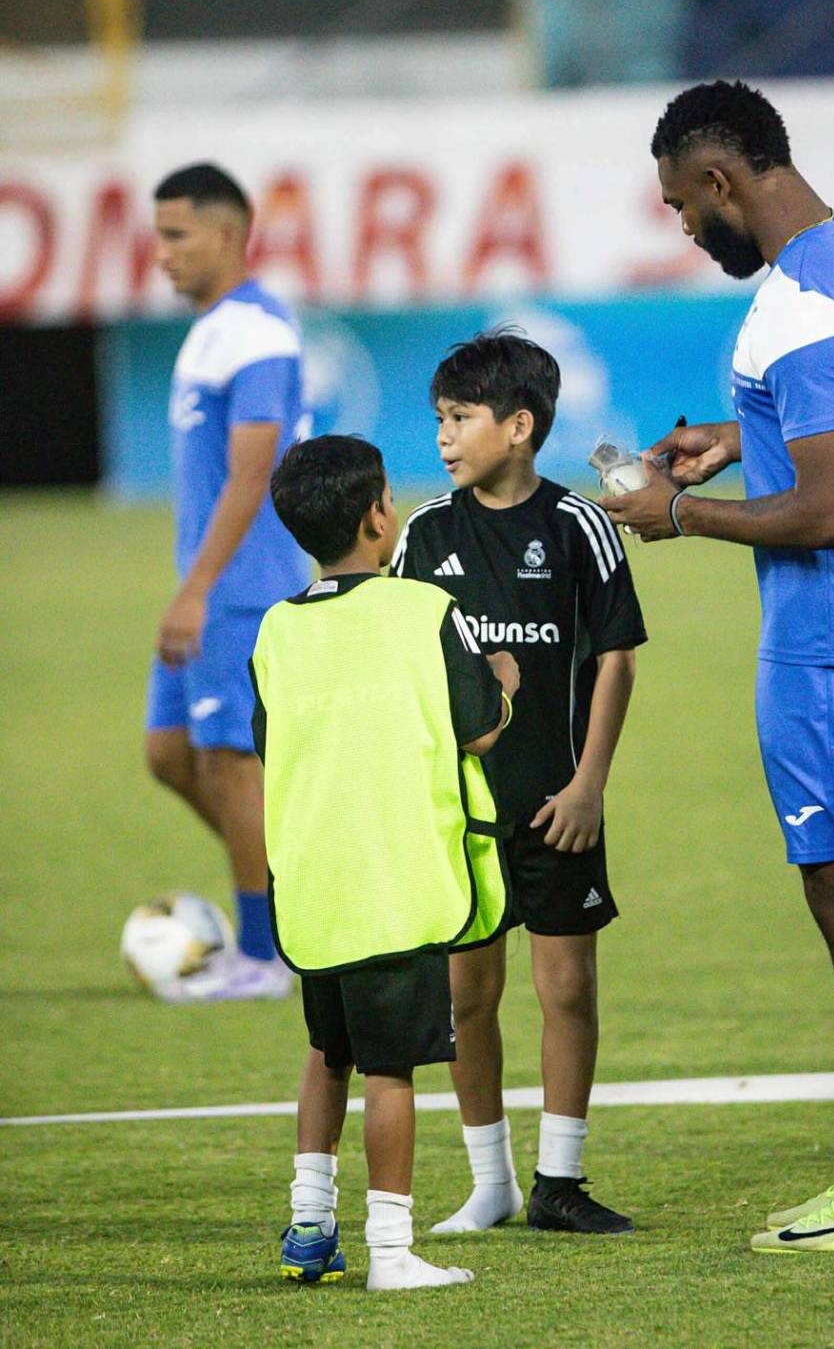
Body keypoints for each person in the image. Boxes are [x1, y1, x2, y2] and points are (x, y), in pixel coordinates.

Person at [602, 80, 834, 1253]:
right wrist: (735, 435)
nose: (684, 230)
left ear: (721, 183)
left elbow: (830, 505)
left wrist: (678, 515)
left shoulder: (792, 305)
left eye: (679, 207)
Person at [393, 331, 647, 1235]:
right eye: (439, 420)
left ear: (521, 426)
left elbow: (616, 658)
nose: (444, 438)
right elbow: (396, 658)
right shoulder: (425, 532)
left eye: (460, 419)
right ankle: (490, 1180)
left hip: (559, 804)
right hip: (464, 813)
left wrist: (590, 784)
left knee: (568, 984)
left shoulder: (577, 526)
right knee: (467, 994)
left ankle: (559, 1181)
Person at [255, 434, 519, 1290]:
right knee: (390, 1069)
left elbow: (273, 745)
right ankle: (392, 1251)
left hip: (311, 885)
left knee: (327, 1053)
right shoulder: (423, 609)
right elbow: (479, 726)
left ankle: (308, 1224)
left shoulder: (276, 628)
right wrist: (505, 680)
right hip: (395, 882)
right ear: (378, 516)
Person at [143, 162, 306, 1001]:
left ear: (230, 233)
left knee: (231, 765)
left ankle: (265, 953)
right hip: (206, 585)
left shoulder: (257, 333)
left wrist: (197, 587)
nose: (161, 252)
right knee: (170, 756)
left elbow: (253, 474)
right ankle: (286, 898)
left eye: (176, 235)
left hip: (240, 588)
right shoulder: (212, 328)